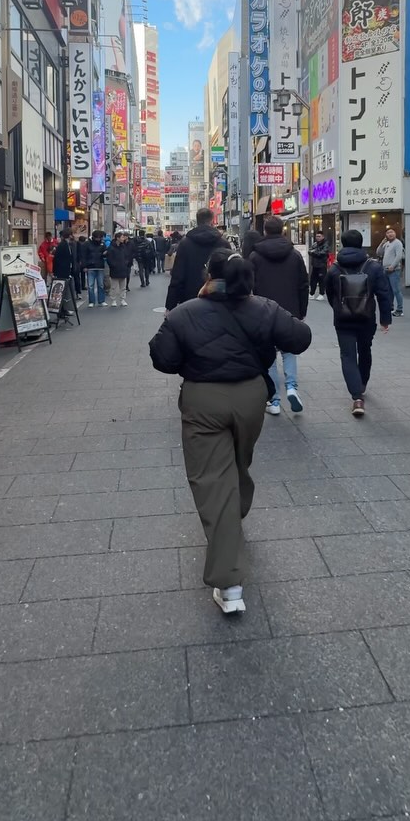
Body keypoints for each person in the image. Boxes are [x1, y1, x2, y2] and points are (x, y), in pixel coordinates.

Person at [149, 250, 311, 615]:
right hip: (251, 395)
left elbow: (163, 359)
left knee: (212, 480)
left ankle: (230, 581)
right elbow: (300, 337)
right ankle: (235, 510)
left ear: (209, 276)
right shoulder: (263, 307)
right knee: (239, 461)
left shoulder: (185, 312)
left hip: (203, 399)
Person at [326, 229, 392, 418]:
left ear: (343, 243)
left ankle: (356, 397)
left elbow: (330, 293)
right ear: (361, 243)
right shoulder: (373, 266)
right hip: (366, 318)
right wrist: (385, 319)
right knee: (365, 350)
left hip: (343, 320)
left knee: (347, 355)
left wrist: (338, 309)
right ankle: (361, 384)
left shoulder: (335, 268)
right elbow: (383, 294)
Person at [250, 215, 309, 415]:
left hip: (263, 310)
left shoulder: (255, 256)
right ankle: (292, 387)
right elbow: (303, 284)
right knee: (289, 350)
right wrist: (301, 312)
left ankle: (274, 400)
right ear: (283, 230)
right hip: (289, 310)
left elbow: (250, 285)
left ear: (264, 231)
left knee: (269, 355)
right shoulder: (294, 255)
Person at [166, 208, 229, 310]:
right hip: (218, 299)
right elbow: (230, 272)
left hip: (190, 300)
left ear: (197, 221)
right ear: (212, 220)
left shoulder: (185, 243)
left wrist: (170, 305)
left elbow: (177, 275)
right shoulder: (223, 243)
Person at [377, 227, 405, 316]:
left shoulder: (397, 243)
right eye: (388, 232)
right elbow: (379, 253)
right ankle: (390, 307)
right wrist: (382, 243)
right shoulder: (387, 243)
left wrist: (392, 266)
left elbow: (399, 256)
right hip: (386, 270)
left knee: (396, 290)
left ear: (395, 233)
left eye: (392, 232)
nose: (390, 234)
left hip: (394, 270)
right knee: (388, 290)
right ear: (386, 235)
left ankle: (400, 310)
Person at [51, 229, 75, 323]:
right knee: (62, 292)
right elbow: (57, 260)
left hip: (65, 271)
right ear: (69, 235)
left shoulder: (67, 244)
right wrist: (55, 271)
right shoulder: (62, 245)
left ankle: (64, 310)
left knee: (65, 292)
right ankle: (61, 311)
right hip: (62, 272)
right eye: (71, 235)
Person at [82, 231, 108, 308]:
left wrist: (105, 254)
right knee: (90, 286)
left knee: (101, 285)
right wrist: (84, 266)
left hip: (100, 266)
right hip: (90, 267)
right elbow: (83, 256)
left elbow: (105, 254)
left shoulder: (102, 244)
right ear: (94, 237)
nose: (99, 239)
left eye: (100, 237)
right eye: (98, 237)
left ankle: (101, 301)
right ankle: (91, 301)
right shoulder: (87, 244)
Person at [106, 231, 129, 307]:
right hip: (115, 269)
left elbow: (126, 256)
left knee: (123, 286)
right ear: (117, 238)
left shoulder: (123, 247)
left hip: (123, 268)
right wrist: (113, 265)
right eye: (122, 237)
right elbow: (109, 258)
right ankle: (113, 300)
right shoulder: (111, 247)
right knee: (114, 286)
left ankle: (122, 299)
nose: (123, 238)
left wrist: (125, 263)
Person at [308, 230, 330, 300]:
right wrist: (315, 252)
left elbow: (323, 253)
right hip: (315, 264)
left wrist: (314, 252)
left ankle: (321, 294)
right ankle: (312, 293)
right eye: (317, 236)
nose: (317, 238)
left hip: (322, 265)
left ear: (323, 237)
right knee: (313, 280)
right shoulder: (315, 244)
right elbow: (309, 251)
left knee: (322, 280)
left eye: (319, 236)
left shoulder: (326, 244)